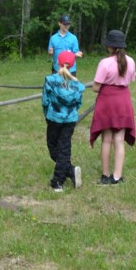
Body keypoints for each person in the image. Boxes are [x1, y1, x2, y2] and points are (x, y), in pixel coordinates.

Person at [89, 29, 136, 185]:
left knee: (106, 139)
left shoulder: (105, 63)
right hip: (123, 100)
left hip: (107, 101)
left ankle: (105, 175)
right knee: (119, 139)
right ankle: (117, 176)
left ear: (110, 46)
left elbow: (96, 87)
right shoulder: (131, 61)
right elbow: (131, 80)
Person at [42, 51, 85, 192]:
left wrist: (46, 114)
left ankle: (58, 181)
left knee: (53, 147)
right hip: (70, 119)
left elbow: (45, 101)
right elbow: (78, 103)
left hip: (54, 118)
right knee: (64, 148)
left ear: (57, 63)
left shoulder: (51, 80)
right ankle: (70, 171)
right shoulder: (77, 85)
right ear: (73, 65)